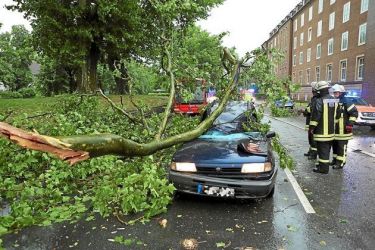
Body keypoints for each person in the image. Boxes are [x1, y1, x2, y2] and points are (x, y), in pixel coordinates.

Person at [309, 81, 338, 174]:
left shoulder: (319, 101)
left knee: (323, 151)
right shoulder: (334, 100)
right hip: (331, 132)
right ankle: (321, 165)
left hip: (321, 133)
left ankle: (323, 169)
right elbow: (337, 115)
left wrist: (312, 128)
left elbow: (316, 116)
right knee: (326, 150)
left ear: (320, 90)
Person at [331, 84, 358, 169]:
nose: (335, 94)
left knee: (341, 147)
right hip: (335, 130)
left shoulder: (346, 101)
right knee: (335, 146)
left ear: (341, 93)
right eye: (334, 92)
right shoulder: (334, 101)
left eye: (336, 92)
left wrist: (350, 124)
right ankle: (335, 160)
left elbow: (354, 113)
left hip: (344, 130)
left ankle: (341, 162)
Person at [303, 81, 318, 160]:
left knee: (313, 139)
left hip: (313, 122)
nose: (312, 91)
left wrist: (305, 111)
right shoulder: (314, 98)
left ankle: (313, 154)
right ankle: (311, 151)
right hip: (310, 122)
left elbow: (312, 109)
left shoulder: (316, 99)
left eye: (313, 89)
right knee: (310, 138)